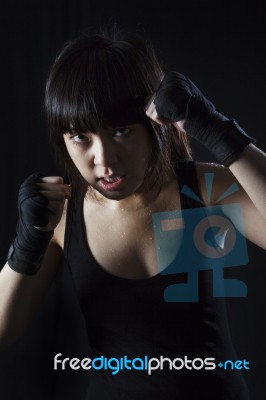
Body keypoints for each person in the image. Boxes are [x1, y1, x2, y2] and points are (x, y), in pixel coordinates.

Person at [0, 28, 266, 399]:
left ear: (153, 126)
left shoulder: (201, 189)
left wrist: (219, 131)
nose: (104, 160)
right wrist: (25, 245)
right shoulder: (61, 214)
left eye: (121, 131)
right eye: (80, 136)